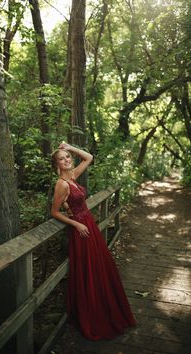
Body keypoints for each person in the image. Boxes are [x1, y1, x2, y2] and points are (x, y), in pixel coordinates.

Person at [51, 142, 136, 341]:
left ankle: (105, 307)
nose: (67, 160)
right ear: (57, 165)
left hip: (88, 223)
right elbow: (54, 212)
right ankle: (92, 313)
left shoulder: (72, 177)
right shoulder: (61, 184)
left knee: (99, 266)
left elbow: (88, 157)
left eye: (68, 157)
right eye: (62, 158)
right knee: (88, 270)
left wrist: (69, 147)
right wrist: (76, 224)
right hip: (81, 228)